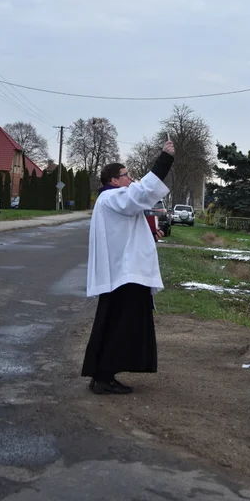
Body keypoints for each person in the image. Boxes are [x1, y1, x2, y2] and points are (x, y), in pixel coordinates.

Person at [81, 141, 175, 394]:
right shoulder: (112, 197)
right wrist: (164, 159)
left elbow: (131, 224)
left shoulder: (111, 200)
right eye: (126, 175)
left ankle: (103, 375)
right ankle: (103, 377)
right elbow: (142, 193)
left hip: (123, 275)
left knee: (114, 324)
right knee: (120, 327)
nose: (130, 179)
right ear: (113, 180)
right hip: (125, 276)